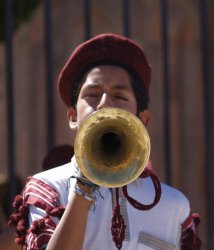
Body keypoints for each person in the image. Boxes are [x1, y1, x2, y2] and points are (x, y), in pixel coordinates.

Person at [8, 34, 202, 250]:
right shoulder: (48, 188)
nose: (104, 104)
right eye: (92, 94)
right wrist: (83, 187)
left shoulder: (174, 205)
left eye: (119, 97)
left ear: (143, 118)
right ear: (72, 116)